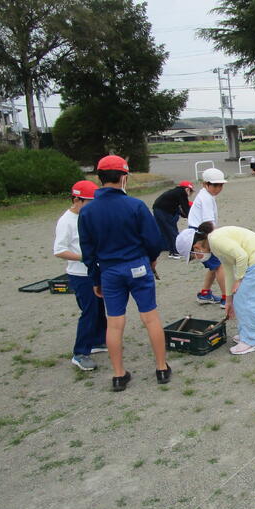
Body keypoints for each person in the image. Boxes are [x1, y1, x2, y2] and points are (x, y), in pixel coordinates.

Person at [78, 155, 170, 392]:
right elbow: (153, 240)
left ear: (99, 178)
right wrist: (151, 260)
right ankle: (161, 368)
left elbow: (88, 250)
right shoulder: (135, 205)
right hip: (137, 266)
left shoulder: (87, 211)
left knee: (115, 323)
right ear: (124, 177)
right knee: (150, 317)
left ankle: (118, 375)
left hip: (109, 270)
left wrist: (95, 278)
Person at [176, 223, 255, 355]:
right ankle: (247, 335)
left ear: (197, 248)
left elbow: (241, 256)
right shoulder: (214, 245)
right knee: (239, 300)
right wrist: (229, 300)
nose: (197, 259)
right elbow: (228, 270)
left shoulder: (215, 240)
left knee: (247, 301)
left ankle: (253, 340)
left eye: (194, 257)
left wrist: (239, 279)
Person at [53, 180, 107, 371]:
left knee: (100, 308)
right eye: (89, 202)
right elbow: (59, 250)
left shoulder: (89, 216)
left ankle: (98, 341)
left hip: (95, 270)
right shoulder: (66, 221)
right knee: (89, 311)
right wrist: (83, 257)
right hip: (80, 274)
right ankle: (80, 353)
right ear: (77, 200)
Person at [187, 167, 228, 306]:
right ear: (205, 184)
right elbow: (209, 223)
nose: (218, 188)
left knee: (214, 265)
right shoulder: (206, 198)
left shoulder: (206, 196)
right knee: (219, 265)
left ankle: (205, 293)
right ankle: (226, 299)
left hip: (201, 234)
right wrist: (217, 240)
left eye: (221, 185)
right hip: (202, 236)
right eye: (215, 185)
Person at [152, 180, 193, 258]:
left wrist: (186, 215)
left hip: (157, 210)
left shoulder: (175, 192)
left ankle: (172, 252)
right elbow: (185, 207)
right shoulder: (182, 193)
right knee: (172, 231)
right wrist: (191, 218)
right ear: (187, 189)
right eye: (190, 191)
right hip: (163, 212)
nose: (190, 194)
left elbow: (180, 208)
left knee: (166, 232)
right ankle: (176, 252)